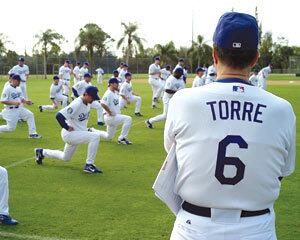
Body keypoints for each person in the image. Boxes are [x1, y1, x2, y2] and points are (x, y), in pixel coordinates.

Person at [164, 12, 295, 240]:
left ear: (214, 54)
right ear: (255, 58)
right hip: (257, 228)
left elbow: (174, 154)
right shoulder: (282, 109)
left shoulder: (183, 100)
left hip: (194, 227)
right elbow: (282, 172)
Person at [35, 86, 103, 174]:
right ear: (86, 94)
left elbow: (99, 104)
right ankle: (89, 165)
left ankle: (41, 152)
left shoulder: (88, 102)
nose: (93, 100)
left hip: (77, 134)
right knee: (95, 137)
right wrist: (67, 127)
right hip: (70, 134)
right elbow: (58, 116)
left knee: (65, 157)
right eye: (92, 97)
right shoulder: (77, 104)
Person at [100, 78, 133, 145]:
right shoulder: (108, 93)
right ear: (111, 84)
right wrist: (109, 112)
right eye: (116, 83)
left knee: (109, 137)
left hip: (113, 117)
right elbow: (102, 103)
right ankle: (122, 138)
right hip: (110, 117)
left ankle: (92, 131)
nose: (118, 85)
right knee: (128, 119)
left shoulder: (114, 93)